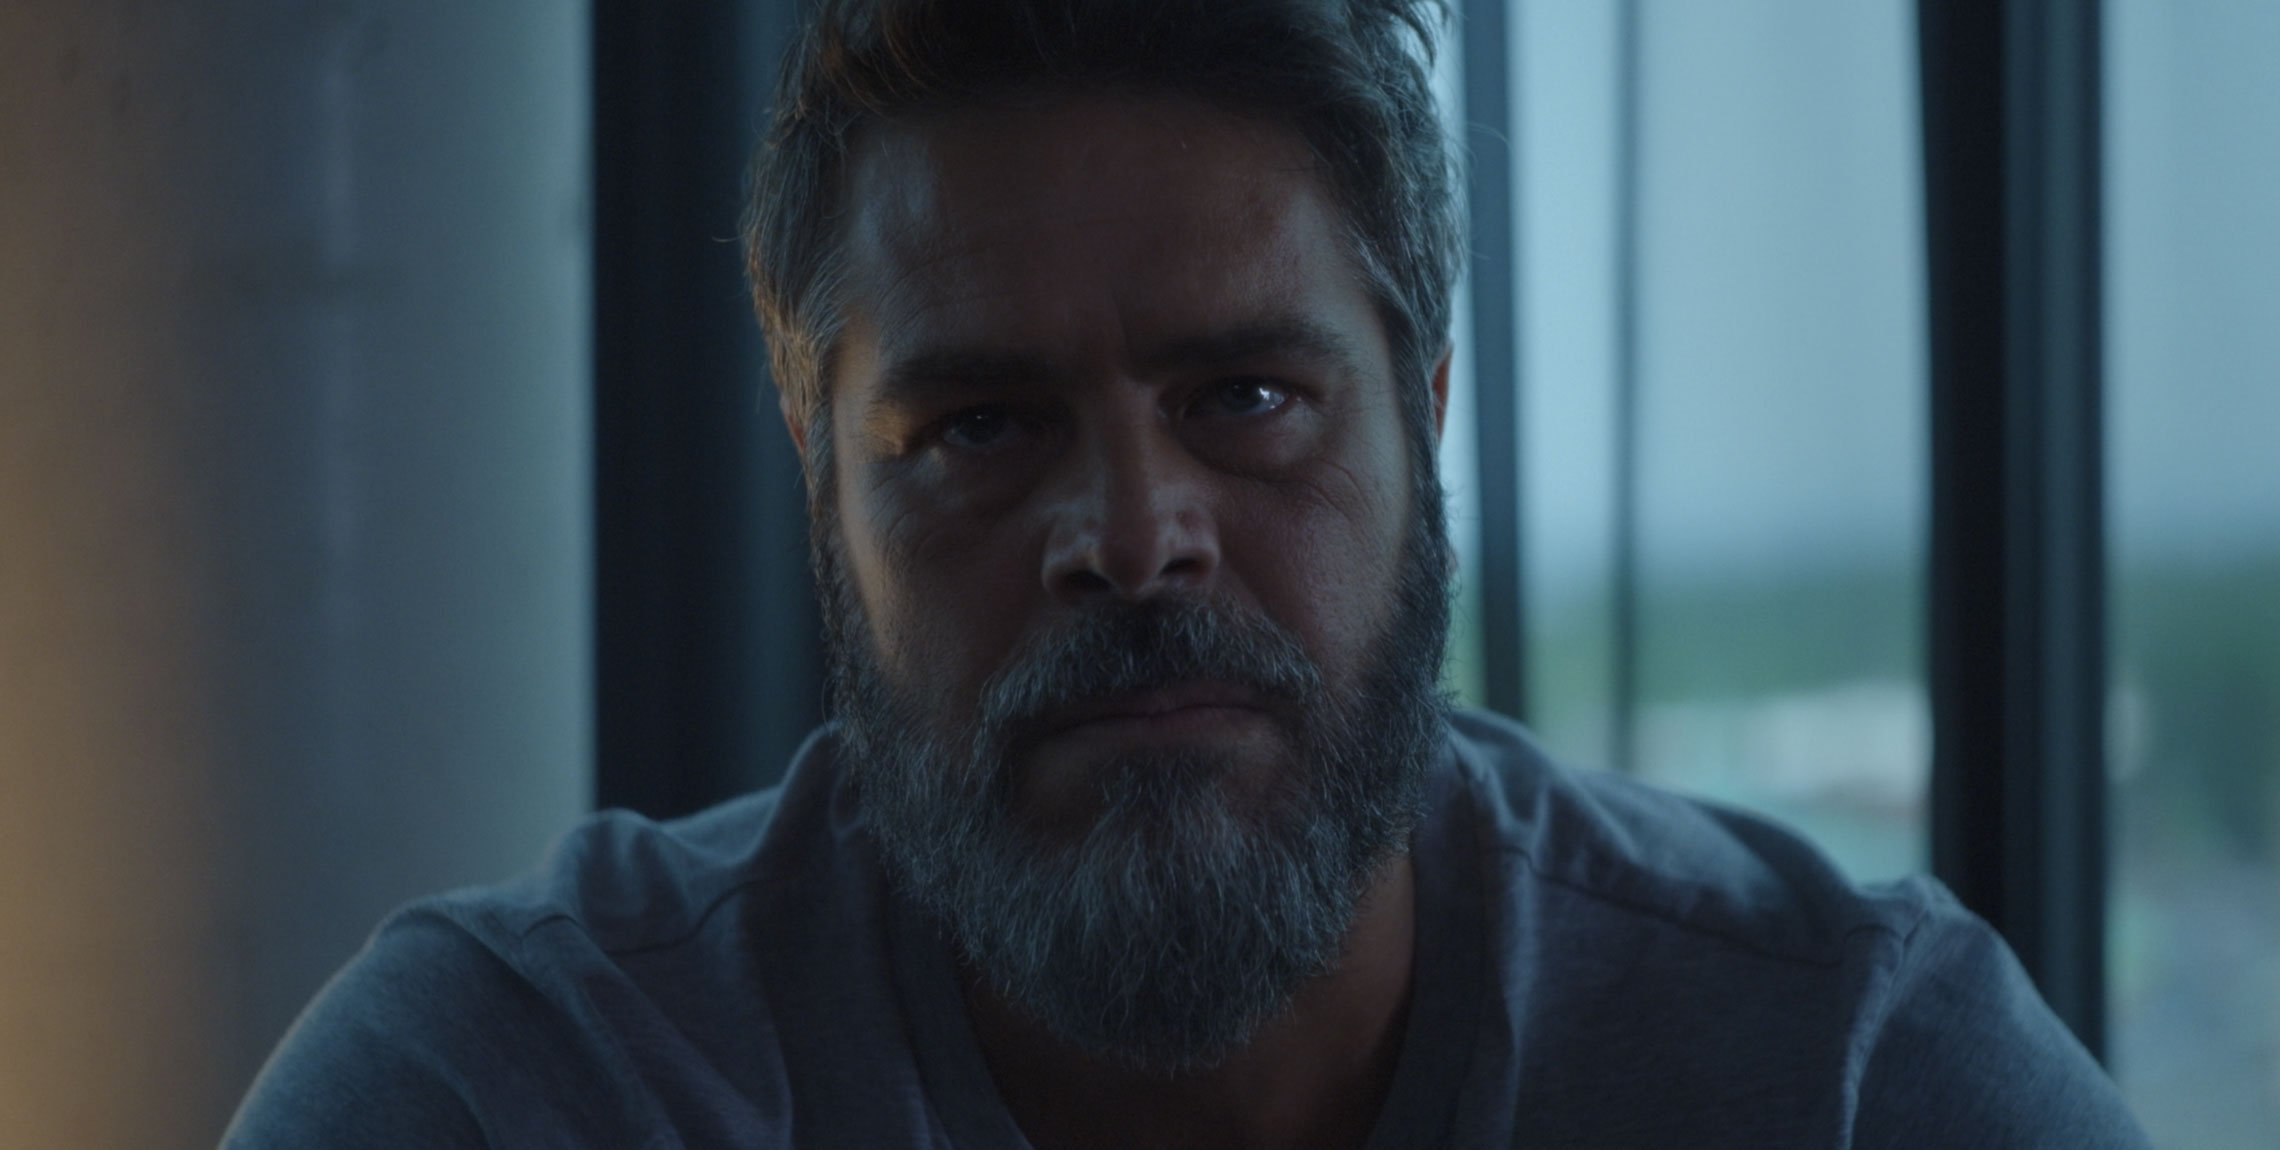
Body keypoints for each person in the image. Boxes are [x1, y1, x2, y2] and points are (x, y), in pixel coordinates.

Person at [226, 1, 2153, 1146]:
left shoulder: (1846, 1077)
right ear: (828, 501)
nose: (1134, 534)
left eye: (1245, 395)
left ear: (1425, 418)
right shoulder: (526, 1092)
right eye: (982, 425)